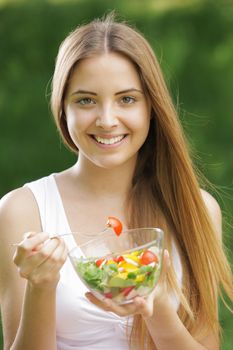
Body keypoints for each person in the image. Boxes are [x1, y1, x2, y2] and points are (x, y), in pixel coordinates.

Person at [0, 12, 232, 350]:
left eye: (127, 99)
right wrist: (42, 286)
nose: (107, 120)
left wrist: (158, 313)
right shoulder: (21, 210)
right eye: (86, 100)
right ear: (62, 109)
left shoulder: (196, 208)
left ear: (152, 108)